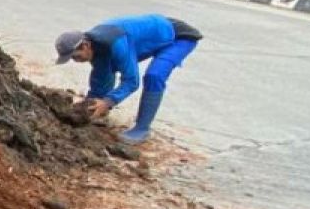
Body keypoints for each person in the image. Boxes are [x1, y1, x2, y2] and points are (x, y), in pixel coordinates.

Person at [55, 14, 203, 144]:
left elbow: (131, 81)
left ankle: (142, 128)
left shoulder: (115, 43)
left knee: (154, 75)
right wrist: (90, 104)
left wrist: (107, 102)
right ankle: (99, 113)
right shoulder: (96, 45)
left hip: (179, 37)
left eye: (75, 56)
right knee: (103, 67)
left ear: (86, 45)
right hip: (156, 32)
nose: (75, 61)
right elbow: (101, 75)